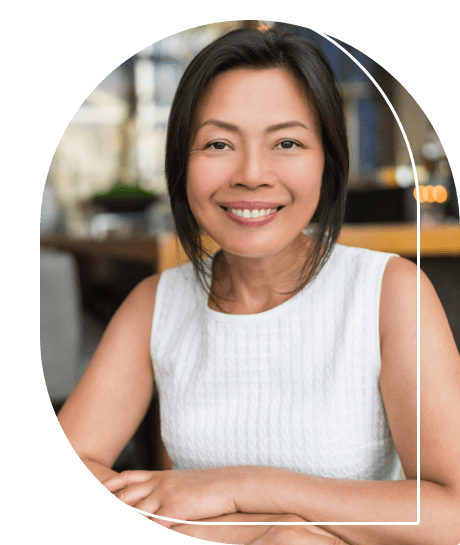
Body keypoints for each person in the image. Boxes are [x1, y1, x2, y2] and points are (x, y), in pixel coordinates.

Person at [57, 27, 460, 545]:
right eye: (219, 143)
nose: (251, 174)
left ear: (328, 163)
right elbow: (63, 470)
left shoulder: (390, 293)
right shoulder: (155, 303)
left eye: (287, 142)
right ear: (182, 163)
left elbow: (452, 515)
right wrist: (256, 530)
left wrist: (245, 487)